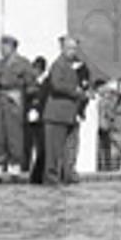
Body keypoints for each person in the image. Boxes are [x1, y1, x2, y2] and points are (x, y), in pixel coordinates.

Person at [42, 36, 91, 185]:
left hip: (71, 114)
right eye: (69, 48)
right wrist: (76, 91)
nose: (73, 51)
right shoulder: (58, 65)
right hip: (57, 114)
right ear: (62, 48)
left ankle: (67, 175)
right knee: (53, 150)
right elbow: (56, 85)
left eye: (75, 48)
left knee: (69, 148)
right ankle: (51, 178)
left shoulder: (78, 66)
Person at [0, 35, 35, 178]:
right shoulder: (0, 64)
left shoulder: (23, 63)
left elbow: (31, 85)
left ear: (13, 47)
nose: (2, 49)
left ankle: (15, 166)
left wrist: (25, 99)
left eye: (5, 46)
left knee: (14, 134)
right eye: (1, 46)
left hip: (14, 102)